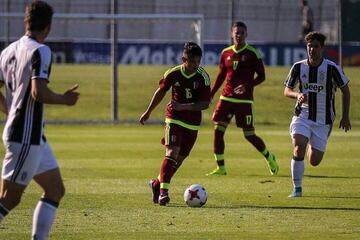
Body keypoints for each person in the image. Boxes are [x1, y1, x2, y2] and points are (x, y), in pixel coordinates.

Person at [0, 1, 80, 239]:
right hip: (26, 135)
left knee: (55, 189)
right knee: (9, 199)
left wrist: (12, 111)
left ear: (26, 21)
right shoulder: (40, 51)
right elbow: (38, 92)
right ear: (48, 26)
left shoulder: (8, 51)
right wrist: (66, 100)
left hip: (30, 135)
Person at [140, 42, 211, 206]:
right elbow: (161, 92)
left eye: (198, 62)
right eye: (191, 61)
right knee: (172, 153)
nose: (195, 65)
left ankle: (157, 184)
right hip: (174, 118)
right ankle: (163, 193)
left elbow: (205, 103)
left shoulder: (203, 76)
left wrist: (184, 106)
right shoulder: (173, 73)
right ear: (183, 58)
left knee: (178, 160)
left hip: (192, 123)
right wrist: (148, 111)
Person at [206, 21, 278, 176]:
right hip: (226, 98)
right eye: (236, 33)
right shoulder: (225, 53)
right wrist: (211, 93)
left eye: (242, 33)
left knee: (249, 135)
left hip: (244, 101)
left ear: (246, 35)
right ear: (232, 34)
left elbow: (262, 76)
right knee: (218, 130)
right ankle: (221, 167)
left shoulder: (252, 53)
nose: (239, 36)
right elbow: (221, 76)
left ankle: (269, 156)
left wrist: (247, 85)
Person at [284, 31, 351, 197]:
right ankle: (297, 189)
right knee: (298, 146)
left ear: (322, 48)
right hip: (302, 115)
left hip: (323, 120)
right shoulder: (298, 67)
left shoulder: (332, 68)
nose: (312, 49)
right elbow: (287, 90)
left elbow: (346, 91)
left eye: (315, 46)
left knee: (314, 161)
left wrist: (346, 116)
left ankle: (310, 143)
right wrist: (297, 95)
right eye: (309, 46)